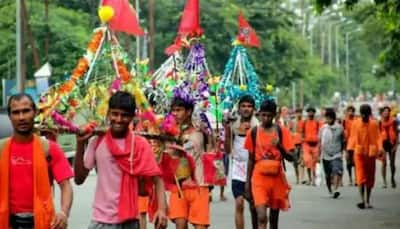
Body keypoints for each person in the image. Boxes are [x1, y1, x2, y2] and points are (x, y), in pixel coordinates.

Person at [74, 91, 168, 228]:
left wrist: (162, 210)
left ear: (132, 117)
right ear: (108, 114)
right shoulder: (97, 141)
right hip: (101, 221)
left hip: (130, 221)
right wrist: (80, 144)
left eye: (124, 115)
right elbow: (79, 179)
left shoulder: (140, 144)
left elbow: (157, 179)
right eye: (115, 114)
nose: (118, 119)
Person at [0, 93, 73, 229]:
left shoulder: (49, 148)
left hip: (42, 223)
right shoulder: (1, 149)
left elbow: (66, 186)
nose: (21, 117)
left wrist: (63, 212)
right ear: (10, 116)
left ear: (35, 112)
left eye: (26, 111)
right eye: (16, 112)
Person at [244, 99, 294, 229]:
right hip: (259, 179)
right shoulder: (253, 132)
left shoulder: (281, 131)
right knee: (261, 216)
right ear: (259, 114)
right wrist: (247, 183)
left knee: (273, 219)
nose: (265, 118)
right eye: (263, 115)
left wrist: (280, 147)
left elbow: (292, 157)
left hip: (276, 179)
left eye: (269, 115)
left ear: (274, 115)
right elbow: (250, 159)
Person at [168, 97, 213, 229]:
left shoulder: (200, 131)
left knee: (200, 226)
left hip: (199, 184)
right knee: (180, 225)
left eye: (179, 110)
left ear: (188, 111)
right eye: (173, 110)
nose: (175, 113)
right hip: (178, 185)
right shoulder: (169, 132)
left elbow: (208, 151)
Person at [224, 95, 259, 229]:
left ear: (254, 109)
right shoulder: (233, 124)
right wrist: (227, 131)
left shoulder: (258, 125)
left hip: (254, 169)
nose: (246, 109)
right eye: (243, 106)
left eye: (249, 106)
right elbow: (227, 150)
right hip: (238, 169)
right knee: (239, 203)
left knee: (254, 205)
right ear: (239, 108)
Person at [347, 104, 383, 209]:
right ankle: (362, 199)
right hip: (359, 154)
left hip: (371, 154)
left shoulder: (374, 124)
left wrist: (380, 148)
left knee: (370, 177)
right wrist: (349, 151)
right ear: (361, 114)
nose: (364, 117)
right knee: (360, 176)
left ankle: (368, 200)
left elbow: (378, 137)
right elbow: (352, 137)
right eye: (363, 115)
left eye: (366, 115)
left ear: (369, 115)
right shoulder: (356, 123)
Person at [319, 108, 345, 198]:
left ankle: (335, 189)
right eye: (327, 118)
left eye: (330, 118)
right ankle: (330, 189)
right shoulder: (323, 128)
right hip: (325, 154)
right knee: (327, 175)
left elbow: (343, 141)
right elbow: (320, 142)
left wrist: (343, 151)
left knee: (336, 170)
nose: (328, 120)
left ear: (334, 118)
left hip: (336, 154)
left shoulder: (340, 128)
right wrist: (318, 154)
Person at [378, 106, 398, 188]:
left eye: (388, 111)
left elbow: (397, 134)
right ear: (382, 113)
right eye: (384, 111)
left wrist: (396, 145)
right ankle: (384, 181)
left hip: (392, 143)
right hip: (383, 144)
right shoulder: (379, 122)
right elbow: (378, 135)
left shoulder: (394, 121)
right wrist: (379, 147)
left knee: (392, 163)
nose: (386, 113)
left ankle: (392, 178)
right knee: (384, 163)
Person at [302, 107, 320, 185]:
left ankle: (313, 179)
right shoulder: (305, 122)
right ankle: (309, 179)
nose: (311, 113)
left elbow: (319, 133)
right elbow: (302, 133)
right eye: (309, 112)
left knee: (314, 163)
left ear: (314, 113)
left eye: (312, 112)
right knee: (307, 161)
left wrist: (319, 145)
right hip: (306, 145)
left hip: (315, 145)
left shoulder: (317, 122)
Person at [290, 108, 304, 184]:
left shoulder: (304, 122)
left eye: (300, 113)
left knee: (302, 161)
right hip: (294, 144)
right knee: (295, 163)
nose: (299, 114)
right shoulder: (292, 122)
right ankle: (297, 178)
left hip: (301, 143)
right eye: (297, 113)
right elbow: (289, 131)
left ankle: (302, 178)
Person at [343, 105, 356, 186]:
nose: (351, 113)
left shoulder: (357, 120)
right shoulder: (344, 121)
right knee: (348, 162)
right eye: (349, 111)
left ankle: (356, 179)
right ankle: (350, 178)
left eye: (352, 111)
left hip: (355, 144)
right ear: (347, 112)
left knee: (356, 162)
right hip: (347, 144)